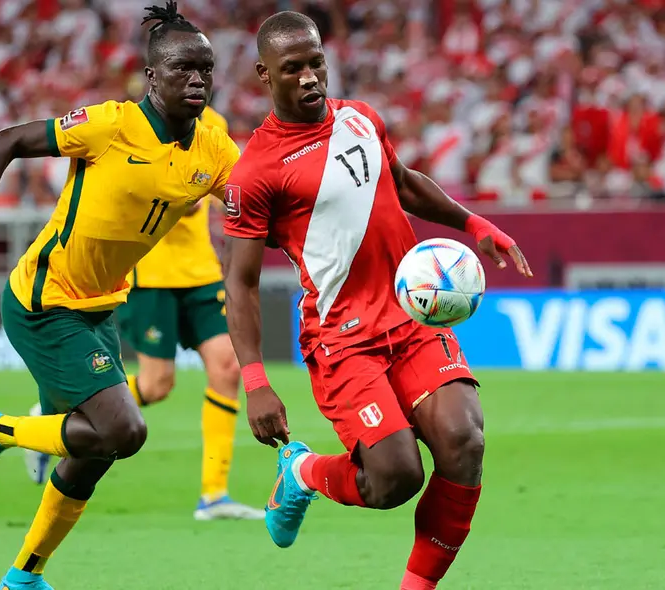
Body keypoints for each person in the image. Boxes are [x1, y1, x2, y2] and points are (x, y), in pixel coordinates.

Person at [0, 4, 240, 589]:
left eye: (206, 68)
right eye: (182, 69)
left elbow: (258, 207)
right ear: (152, 78)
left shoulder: (214, 150)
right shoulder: (110, 124)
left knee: (92, 454)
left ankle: (23, 577)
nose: (197, 79)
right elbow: (5, 141)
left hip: (100, 308)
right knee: (124, 432)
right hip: (45, 302)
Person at [222, 11, 532, 590]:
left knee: (464, 441)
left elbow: (404, 181)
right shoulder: (255, 172)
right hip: (342, 337)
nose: (311, 77)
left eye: (317, 62)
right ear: (266, 74)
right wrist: (257, 380)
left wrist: (474, 223)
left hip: (413, 320)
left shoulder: (361, 117)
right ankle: (304, 473)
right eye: (294, 68)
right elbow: (238, 283)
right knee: (393, 479)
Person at [23, 103, 264, 521]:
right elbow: (181, 197)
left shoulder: (215, 127)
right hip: (150, 273)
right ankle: (51, 422)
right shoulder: (134, 126)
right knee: (156, 385)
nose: (193, 81)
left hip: (201, 272)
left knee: (227, 367)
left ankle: (214, 494)